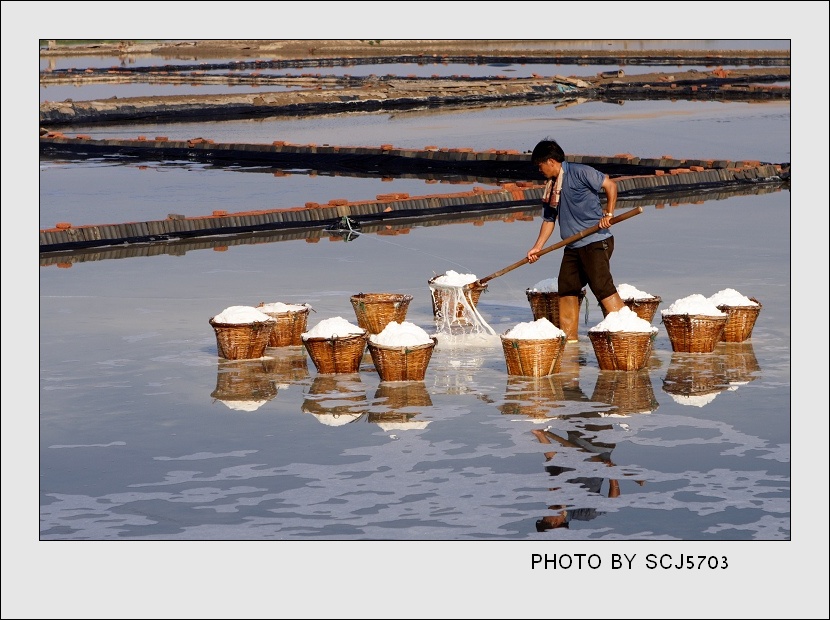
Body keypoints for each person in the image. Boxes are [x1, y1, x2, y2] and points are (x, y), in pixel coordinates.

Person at [527, 139, 625, 342]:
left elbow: (610, 186)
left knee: (601, 287)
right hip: (572, 245)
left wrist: (608, 213)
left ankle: (626, 332)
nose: (539, 169)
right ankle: (570, 340)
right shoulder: (552, 188)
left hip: (596, 241)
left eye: (540, 165)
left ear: (551, 161)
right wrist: (537, 247)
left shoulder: (580, 172)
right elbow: (548, 220)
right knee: (567, 288)